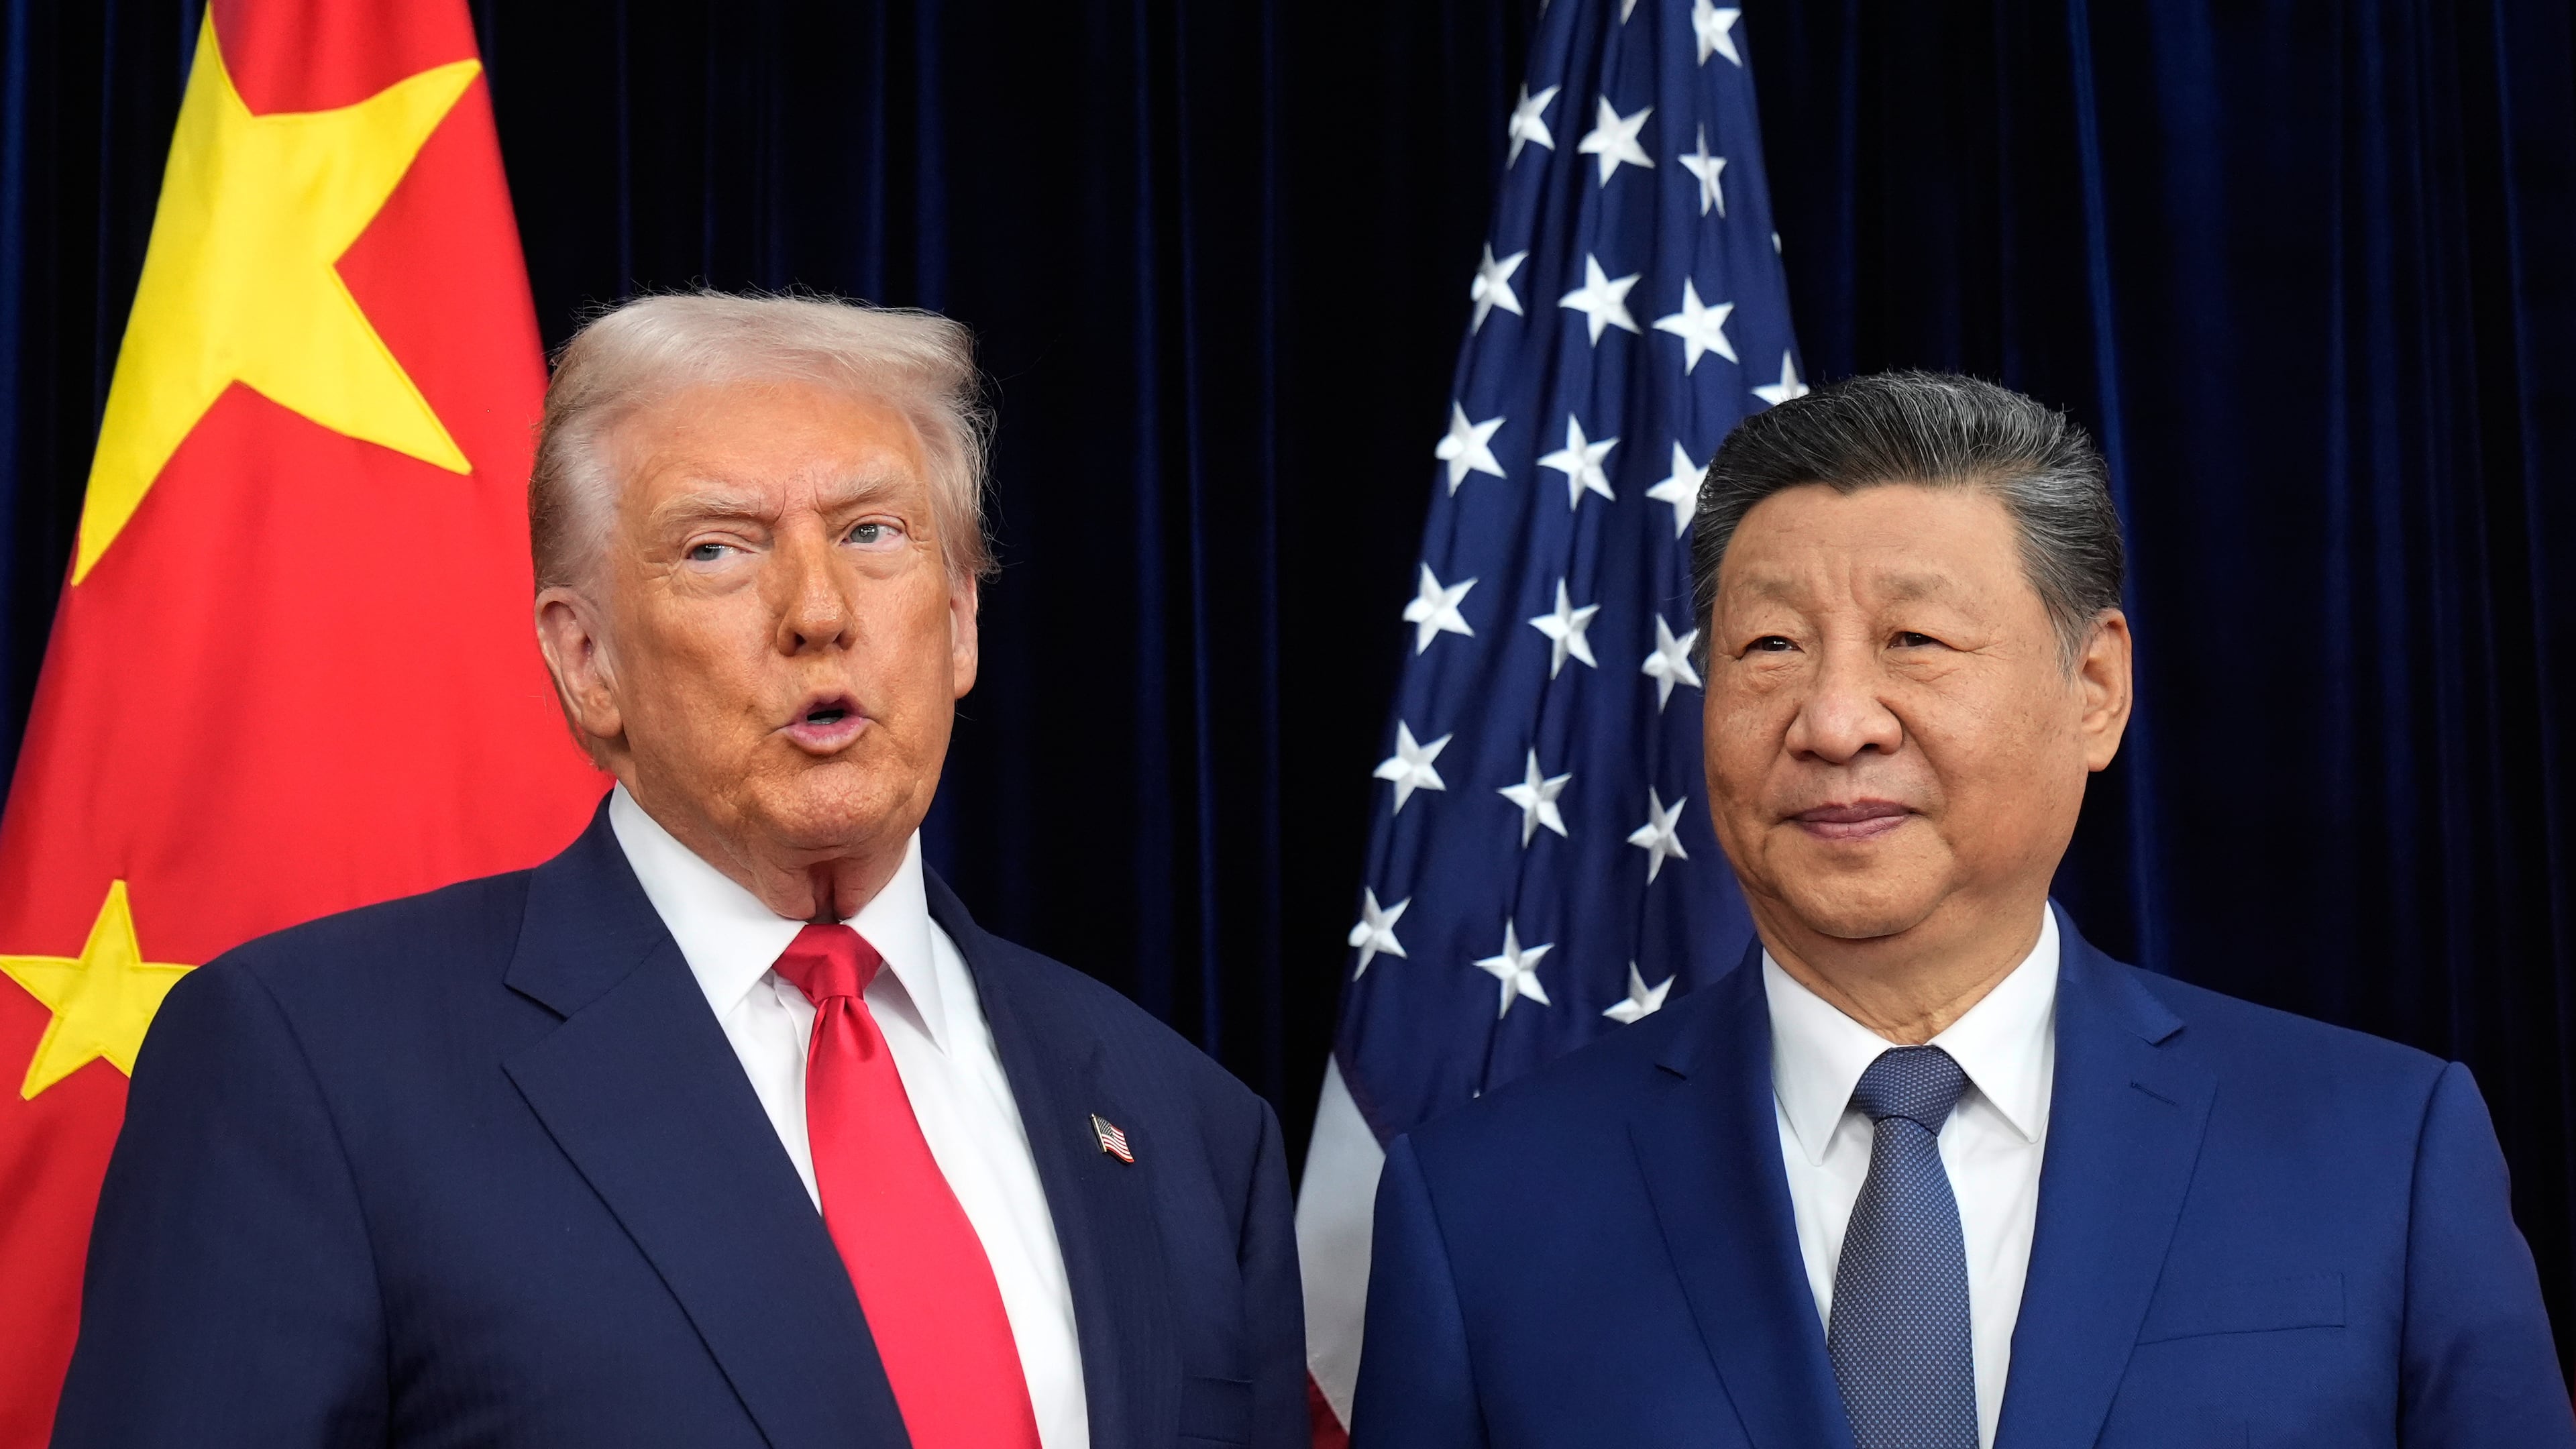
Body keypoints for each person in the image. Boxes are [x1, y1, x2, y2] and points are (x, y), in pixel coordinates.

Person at [54, 293, 1305, 1449]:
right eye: (719, 549)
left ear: (961, 617)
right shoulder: (313, 1069)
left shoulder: (1189, 1127)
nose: (818, 611)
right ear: (586, 660)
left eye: (872, 532)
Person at [1349, 372, 2573, 1449]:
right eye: (1770, 646)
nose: (1836, 723)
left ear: (2094, 689)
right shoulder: (1480, 1210)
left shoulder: (2381, 1154)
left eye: (1914, 638)